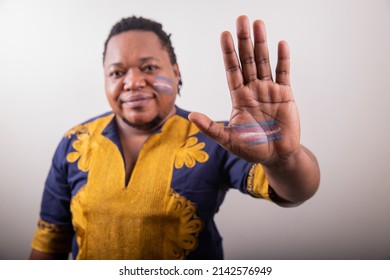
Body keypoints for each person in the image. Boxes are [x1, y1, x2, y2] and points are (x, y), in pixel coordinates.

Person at [30, 15, 320, 260]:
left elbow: (295, 191)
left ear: (176, 72)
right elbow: (49, 245)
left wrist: (284, 158)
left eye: (149, 68)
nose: (132, 82)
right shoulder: (75, 142)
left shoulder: (220, 138)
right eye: (117, 72)